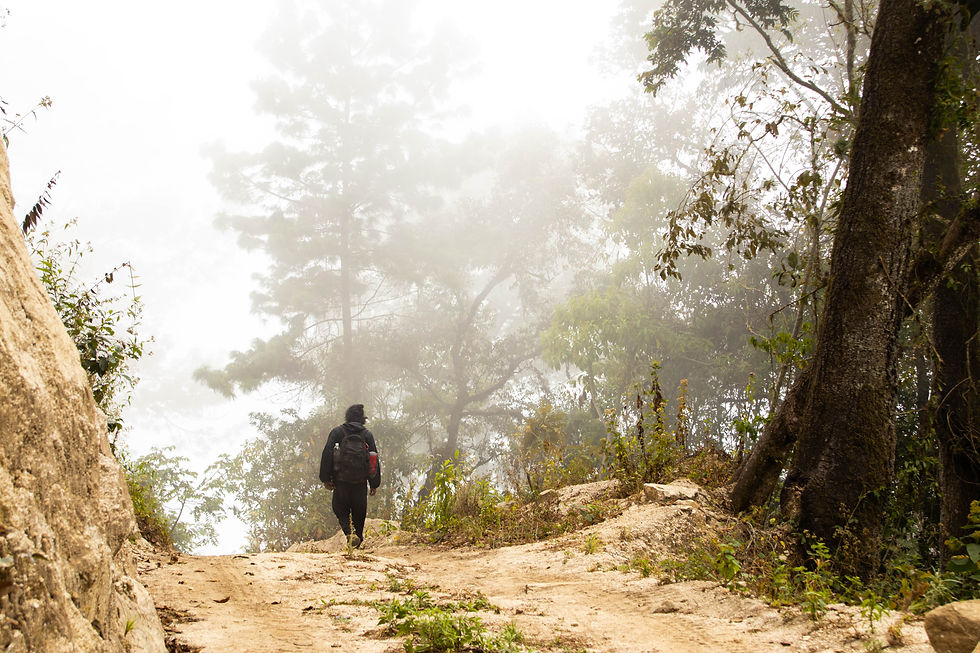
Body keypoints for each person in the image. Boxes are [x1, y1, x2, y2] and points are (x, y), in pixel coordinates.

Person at [319, 404, 381, 548]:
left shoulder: (337, 432)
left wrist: (326, 478)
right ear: (362, 418)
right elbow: (373, 459)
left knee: (340, 508)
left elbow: (327, 452)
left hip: (341, 480)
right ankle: (357, 541)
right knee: (359, 513)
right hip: (360, 482)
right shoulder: (367, 435)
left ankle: (349, 533)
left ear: (347, 416)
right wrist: (374, 483)